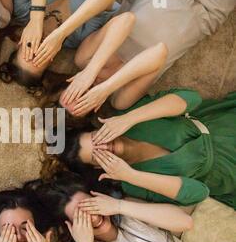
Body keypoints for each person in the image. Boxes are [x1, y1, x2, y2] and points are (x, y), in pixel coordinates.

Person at [62, 0, 236, 114]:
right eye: (80, 104)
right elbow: (159, 52)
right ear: (92, 109)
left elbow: (125, 20)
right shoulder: (120, 98)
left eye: (72, 95)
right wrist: (106, 88)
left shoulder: (85, 59)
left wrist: (91, 71)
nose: (81, 94)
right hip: (205, 7)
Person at [55, 89, 236, 210]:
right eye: (96, 155)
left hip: (225, 126)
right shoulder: (131, 183)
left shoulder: (128, 116)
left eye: (96, 138)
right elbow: (198, 192)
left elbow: (191, 98)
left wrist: (130, 118)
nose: (104, 146)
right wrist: (130, 176)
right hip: (228, 173)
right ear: (97, 168)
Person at [30, 171, 210, 242]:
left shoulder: (126, 210)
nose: (93, 217)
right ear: (70, 226)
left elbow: (184, 222)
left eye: (91, 205)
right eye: (81, 215)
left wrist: (119, 206)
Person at [0, 0, 121, 88]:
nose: (39, 46)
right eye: (40, 57)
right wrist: (61, 33)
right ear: (51, 59)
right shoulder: (78, 37)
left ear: (19, 42)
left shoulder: (23, 11)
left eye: (30, 49)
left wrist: (36, 18)